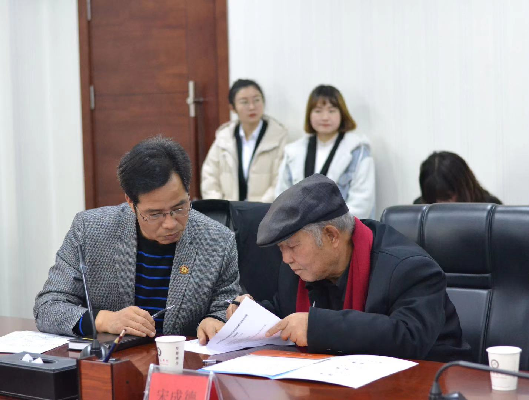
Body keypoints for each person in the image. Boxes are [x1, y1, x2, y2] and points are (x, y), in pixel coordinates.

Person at [228, 174, 471, 362]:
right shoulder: (299, 268)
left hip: (430, 381)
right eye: (281, 249)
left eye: (292, 246)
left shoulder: (409, 268)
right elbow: (286, 314)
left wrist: (318, 327)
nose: (286, 259)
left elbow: (408, 337)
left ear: (332, 236)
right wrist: (247, 314)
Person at [34, 137, 240, 344]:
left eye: (179, 208)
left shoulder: (218, 241)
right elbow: (48, 306)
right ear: (131, 203)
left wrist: (216, 320)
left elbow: (226, 305)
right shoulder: (89, 230)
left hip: (181, 359)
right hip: (114, 358)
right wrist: (104, 320)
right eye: (155, 214)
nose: (170, 223)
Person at [275, 85, 375, 218]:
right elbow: (281, 197)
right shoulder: (293, 151)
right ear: (309, 114)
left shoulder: (358, 150)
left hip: (342, 228)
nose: (325, 117)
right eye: (318, 111)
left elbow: (362, 204)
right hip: (298, 227)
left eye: (332, 111)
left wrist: (327, 226)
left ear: (342, 114)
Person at [201, 79, 288, 202]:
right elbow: (209, 178)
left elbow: (281, 181)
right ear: (232, 108)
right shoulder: (223, 138)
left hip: (266, 210)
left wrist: (259, 209)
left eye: (256, 100)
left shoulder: (278, 137)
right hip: (228, 211)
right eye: (244, 102)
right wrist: (221, 207)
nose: (252, 107)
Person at [414, 151, 502, 204]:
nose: (439, 203)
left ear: (463, 189)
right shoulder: (419, 209)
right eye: (432, 199)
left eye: (446, 197)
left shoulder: (491, 210)